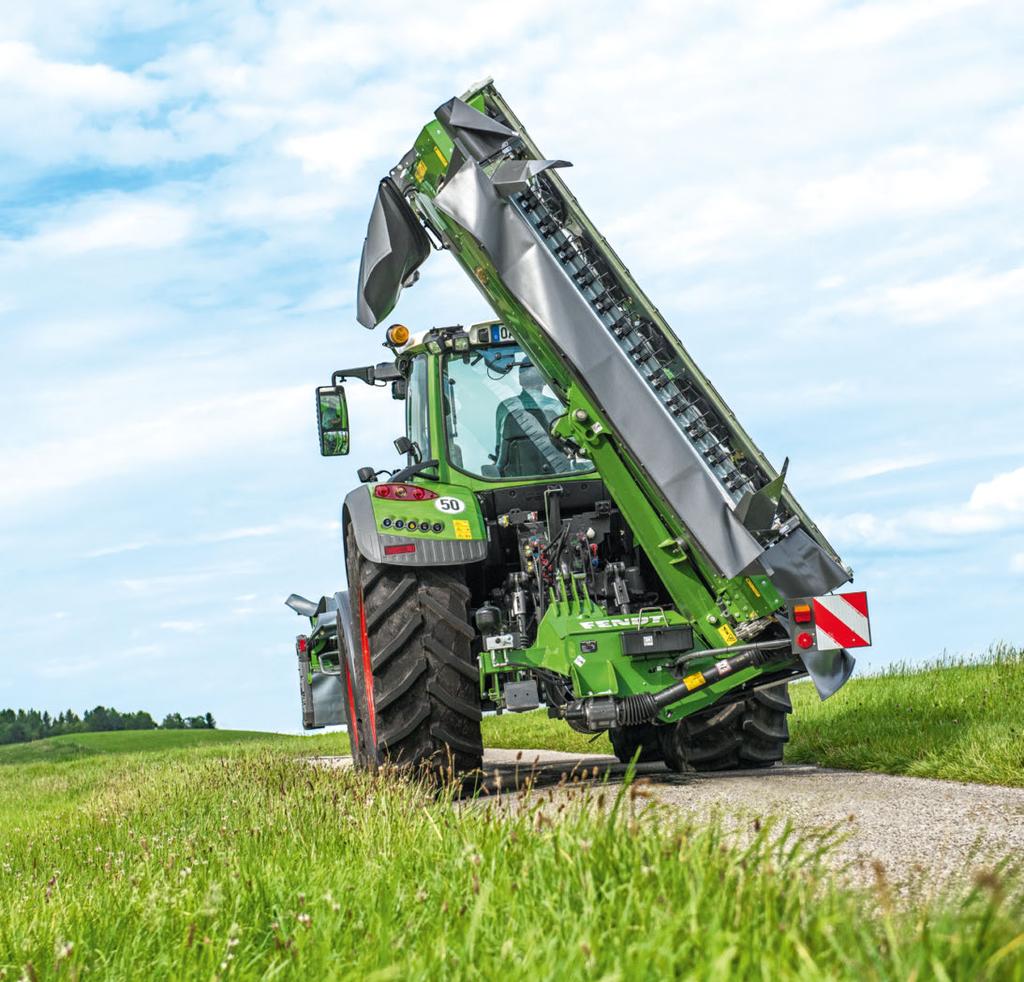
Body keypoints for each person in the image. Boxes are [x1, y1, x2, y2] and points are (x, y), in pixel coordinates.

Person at [493, 360, 571, 476]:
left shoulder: (505, 408)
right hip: (560, 475)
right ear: (544, 381)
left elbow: (500, 450)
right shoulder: (558, 407)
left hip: (514, 481)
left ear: (520, 380)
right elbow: (571, 445)